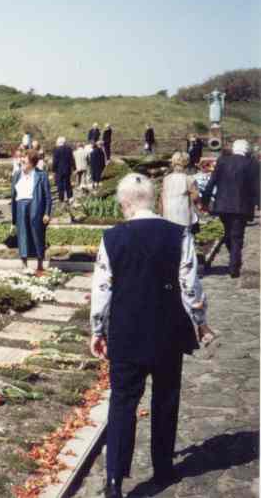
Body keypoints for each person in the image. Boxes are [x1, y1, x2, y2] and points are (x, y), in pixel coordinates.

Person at [89, 173, 211, 498]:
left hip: (126, 331)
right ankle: (163, 467)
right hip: (167, 330)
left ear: (126, 202)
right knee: (166, 398)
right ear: (153, 199)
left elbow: (102, 289)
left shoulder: (112, 237)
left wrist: (98, 329)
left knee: (122, 402)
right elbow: (190, 287)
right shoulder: (178, 234)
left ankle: (114, 478)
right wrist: (200, 321)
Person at [201, 139, 260, 278]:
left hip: (223, 204)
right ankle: (235, 262)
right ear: (247, 150)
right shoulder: (253, 164)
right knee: (236, 236)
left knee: (230, 234)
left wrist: (205, 200)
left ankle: (234, 265)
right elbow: (257, 186)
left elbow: (212, 181)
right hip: (242, 205)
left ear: (234, 149)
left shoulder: (222, 161)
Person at [11, 149, 52, 273]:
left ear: (32, 164)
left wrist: (47, 213)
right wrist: (13, 218)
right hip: (20, 206)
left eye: (25, 161)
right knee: (22, 235)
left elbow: (48, 196)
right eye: (22, 161)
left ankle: (40, 264)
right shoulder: (17, 174)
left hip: (36, 207)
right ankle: (24, 265)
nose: (22, 163)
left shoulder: (41, 175)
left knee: (38, 235)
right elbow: (13, 196)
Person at [160, 152, 200, 231]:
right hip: (183, 213)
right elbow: (195, 198)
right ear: (187, 163)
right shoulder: (189, 179)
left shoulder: (166, 179)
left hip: (168, 213)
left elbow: (161, 198)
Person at [52, 137, 76, 203]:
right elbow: (72, 159)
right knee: (68, 183)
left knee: (60, 184)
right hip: (67, 169)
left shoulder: (56, 150)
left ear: (58, 142)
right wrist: (74, 168)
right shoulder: (69, 149)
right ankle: (70, 197)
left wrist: (53, 169)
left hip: (59, 170)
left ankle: (61, 198)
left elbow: (55, 161)